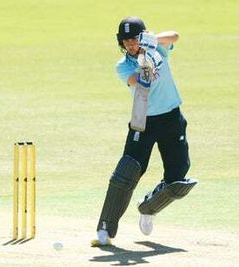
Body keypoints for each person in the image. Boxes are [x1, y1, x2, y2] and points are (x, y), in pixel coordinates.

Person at [92, 17, 197, 246]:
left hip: (171, 116)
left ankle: (148, 208)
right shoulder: (123, 65)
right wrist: (144, 65)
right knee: (127, 171)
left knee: (178, 177)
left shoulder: (158, 46)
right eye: (126, 40)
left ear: (143, 37)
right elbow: (137, 82)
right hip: (143, 121)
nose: (130, 44)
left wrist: (152, 40)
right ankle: (105, 230)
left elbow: (175, 35)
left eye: (134, 39)